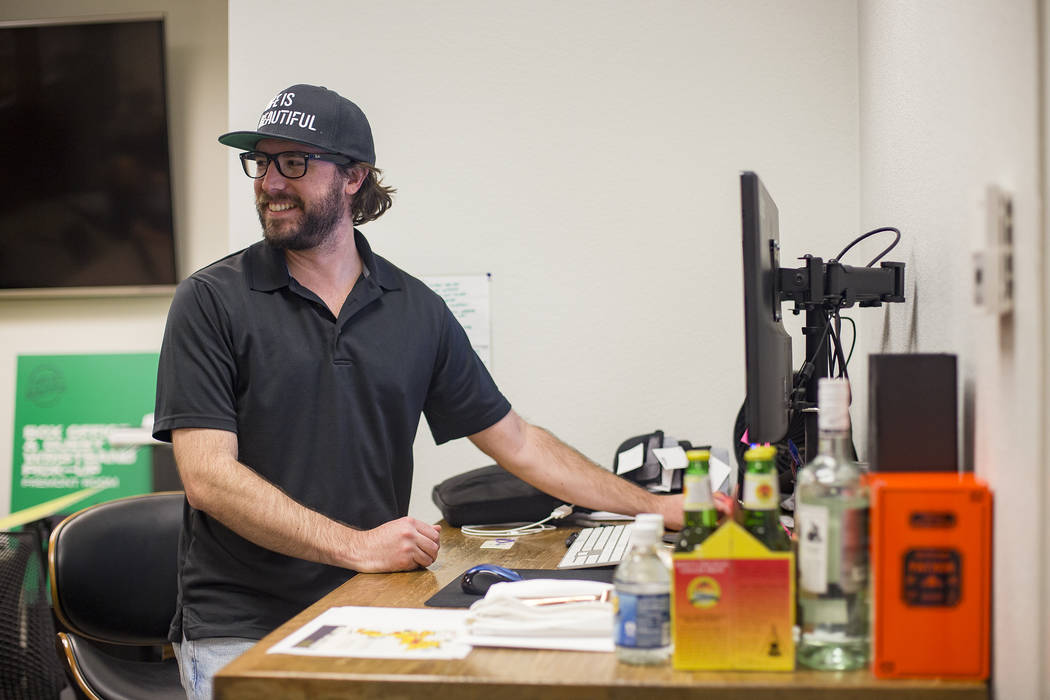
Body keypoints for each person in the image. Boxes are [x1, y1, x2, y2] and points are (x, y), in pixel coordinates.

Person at [153, 84, 686, 700]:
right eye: (261, 162)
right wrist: (358, 546)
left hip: (368, 603)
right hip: (241, 626)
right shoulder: (212, 300)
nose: (270, 182)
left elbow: (517, 442)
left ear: (354, 178)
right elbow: (207, 478)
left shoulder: (415, 309)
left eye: (294, 162)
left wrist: (657, 508)